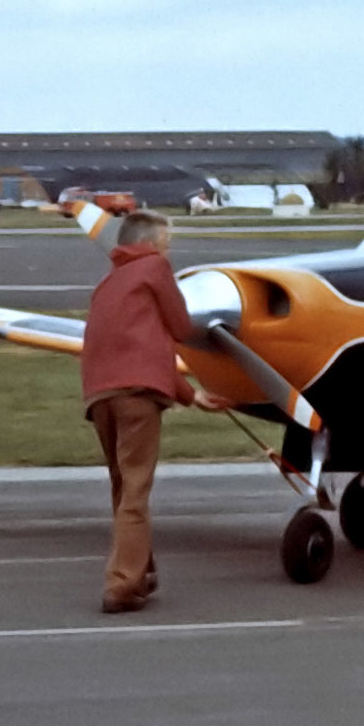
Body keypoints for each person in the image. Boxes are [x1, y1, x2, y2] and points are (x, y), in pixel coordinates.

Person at [81, 208, 225, 613]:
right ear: (147, 244)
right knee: (136, 492)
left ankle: (140, 571)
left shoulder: (107, 286)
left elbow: (138, 351)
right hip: (137, 398)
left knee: (122, 488)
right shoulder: (154, 268)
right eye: (166, 242)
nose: (169, 250)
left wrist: (191, 395)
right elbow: (180, 327)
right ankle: (123, 585)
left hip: (99, 397)